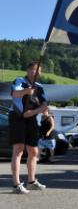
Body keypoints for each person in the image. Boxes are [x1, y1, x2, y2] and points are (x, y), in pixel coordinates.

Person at [9, 61, 48, 194]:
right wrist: (26, 91)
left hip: (31, 118)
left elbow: (44, 105)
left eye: (37, 70)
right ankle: (16, 184)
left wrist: (34, 112)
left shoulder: (40, 87)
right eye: (32, 69)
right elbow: (14, 94)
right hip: (17, 117)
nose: (34, 72)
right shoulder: (19, 80)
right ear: (27, 70)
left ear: (40, 73)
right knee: (18, 150)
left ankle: (31, 182)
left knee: (34, 151)